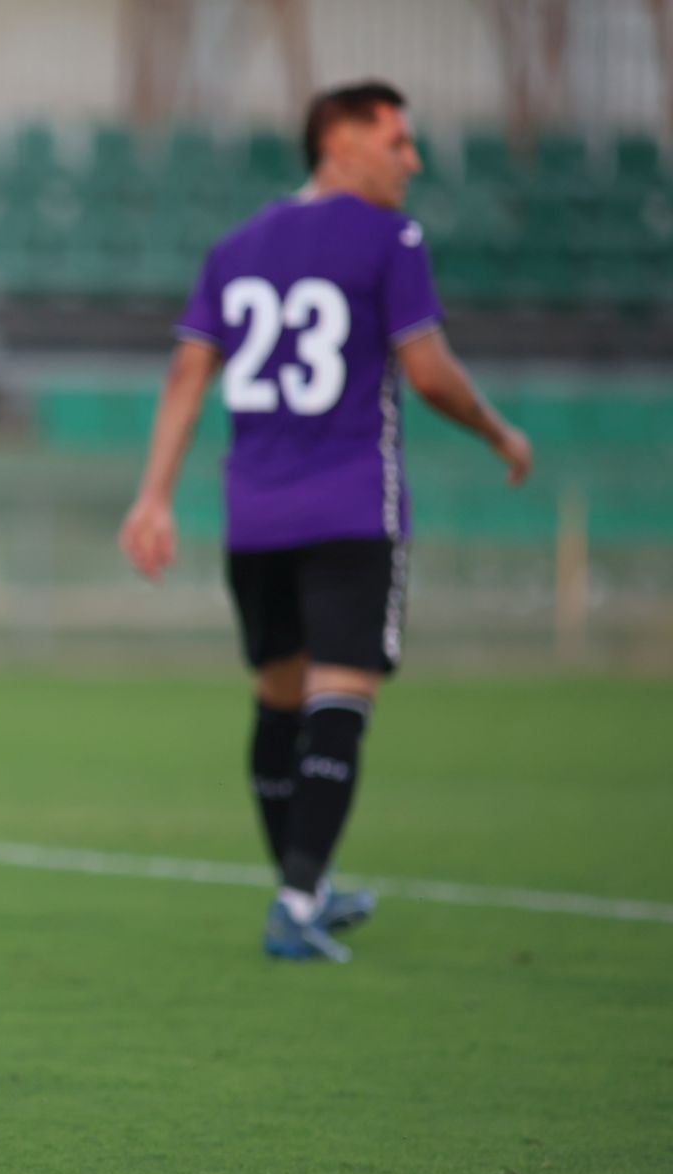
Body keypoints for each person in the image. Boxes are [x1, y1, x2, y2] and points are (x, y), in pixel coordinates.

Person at [118, 81, 533, 963]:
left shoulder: (235, 248)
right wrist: (499, 428)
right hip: (351, 508)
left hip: (254, 518)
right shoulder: (392, 238)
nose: (412, 162)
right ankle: (301, 902)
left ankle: (299, 888)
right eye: (399, 142)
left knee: (278, 701)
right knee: (339, 700)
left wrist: (154, 495)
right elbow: (426, 373)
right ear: (340, 140)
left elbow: (189, 376)